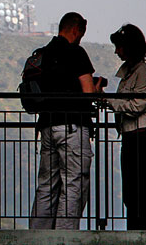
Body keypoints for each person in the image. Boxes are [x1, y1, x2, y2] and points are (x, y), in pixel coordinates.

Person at [29, 12, 102, 230]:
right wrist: (97, 90)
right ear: (75, 29)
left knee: (46, 186)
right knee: (74, 183)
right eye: (81, 33)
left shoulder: (43, 53)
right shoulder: (76, 52)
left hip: (47, 126)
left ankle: (38, 237)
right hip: (72, 127)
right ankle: (65, 236)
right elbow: (88, 93)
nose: (81, 37)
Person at [105, 24, 146, 230]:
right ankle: (138, 232)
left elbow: (136, 105)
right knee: (131, 192)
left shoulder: (143, 73)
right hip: (131, 137)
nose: (117, 51)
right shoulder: (131, 73)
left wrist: (109, 101)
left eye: (119, 47)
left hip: (143, 138)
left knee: (142, 191)